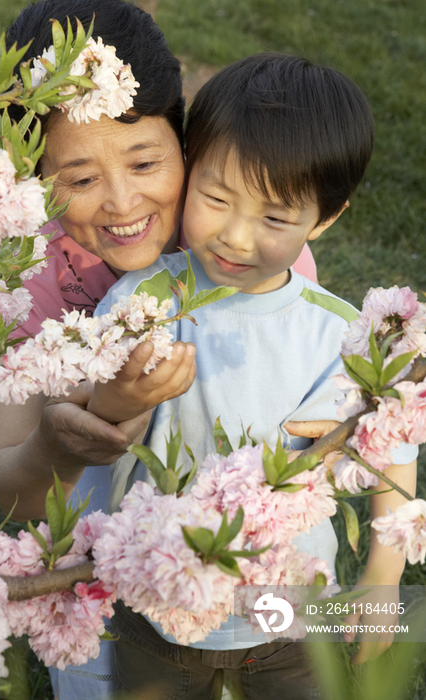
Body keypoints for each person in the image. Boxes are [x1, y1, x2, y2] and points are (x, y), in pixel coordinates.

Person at [0, 3, 318, 698]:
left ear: (186, 141)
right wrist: (60, 445)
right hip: (96, 570)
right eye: (78, 180)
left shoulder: (249, 251)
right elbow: (13, 496)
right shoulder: (27, 275)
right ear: (31, 177)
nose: (122, 200)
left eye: (145, 161)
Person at [91, 53, 418, 699]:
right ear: (190, 174)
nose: (236, 237)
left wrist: (382, 573)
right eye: (215, 198)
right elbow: (89, 421)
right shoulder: (141, 303)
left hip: (292, 603)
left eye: (274, 219)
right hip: (155, 594)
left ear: (323, 219)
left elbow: (392, 444)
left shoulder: (343, 332)